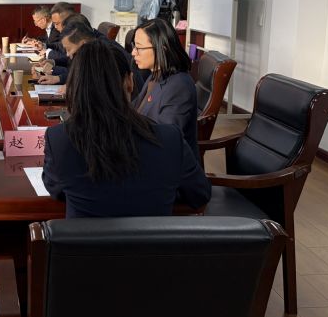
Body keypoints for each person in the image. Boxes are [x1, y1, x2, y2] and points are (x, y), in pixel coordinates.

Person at [42, 41, 210, 218]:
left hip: (85, 237)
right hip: (153, 236)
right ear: (130, 81)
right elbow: (200, 194)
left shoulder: (59, 140)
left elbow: (55, 189)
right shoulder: (170, 139)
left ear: (74, 86)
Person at [131, 18, 199, 160]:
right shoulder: (155, 75)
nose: (133, 53)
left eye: (139, 48)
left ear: (162, 49)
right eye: (134, 46)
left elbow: (166, 139)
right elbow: (134, 110)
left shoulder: (179, 86)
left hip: (168, 165)